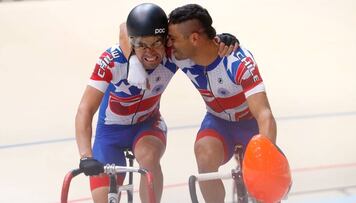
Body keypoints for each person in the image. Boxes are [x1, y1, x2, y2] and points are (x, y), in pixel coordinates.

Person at [75, 3, 238, 203]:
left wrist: (222, 40)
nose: (151, 52)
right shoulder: (112, 60)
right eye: (142, 44)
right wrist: (85, 155)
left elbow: (196, 43)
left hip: (147, 125)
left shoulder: (172, 56)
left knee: (149, 157)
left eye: (157, 43)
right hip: (109, 133)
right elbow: (85, 109)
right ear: (132, 42)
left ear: (166, 41)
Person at [166, 4, 285, 203]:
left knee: (265, 183)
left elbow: (264, 115)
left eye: (174, 38)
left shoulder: (238, 62)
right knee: (204, 154)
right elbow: (126, 30)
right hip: (218, 122)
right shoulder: (178, 56)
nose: (169, 44)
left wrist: (266, 159)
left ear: (194, 38)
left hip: (250, 125)